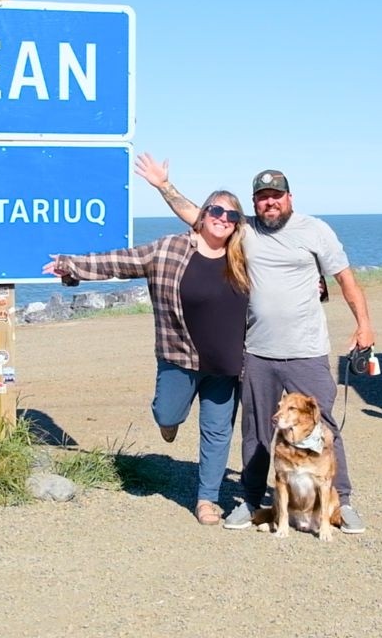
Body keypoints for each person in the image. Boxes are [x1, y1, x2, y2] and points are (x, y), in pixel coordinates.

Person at [135, 152, 376, 534]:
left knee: (324, 426)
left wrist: (364, 326)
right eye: (263, 197)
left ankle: (341, 502)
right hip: (257, 353)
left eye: (276, 195)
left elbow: (346, 279)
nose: (270, 202)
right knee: (257, 430)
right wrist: (163, 185)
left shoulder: (315, 231)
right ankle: (250, 500)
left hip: (307, 351)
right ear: (254, 203)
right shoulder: (244, 231)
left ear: (290, 198)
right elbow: (200, 216)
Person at [43, 191, 251, 526]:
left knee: (218, 430)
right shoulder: (169, 249)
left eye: (231, 216)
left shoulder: (244, 255)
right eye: (216, 210)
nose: (223, 219)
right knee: (167, 412)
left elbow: (283, 275)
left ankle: (207, 499)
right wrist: (72, 265)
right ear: (203, 214)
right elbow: (121, 261)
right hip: (178, 355)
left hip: (227, 364)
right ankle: (169, 422)